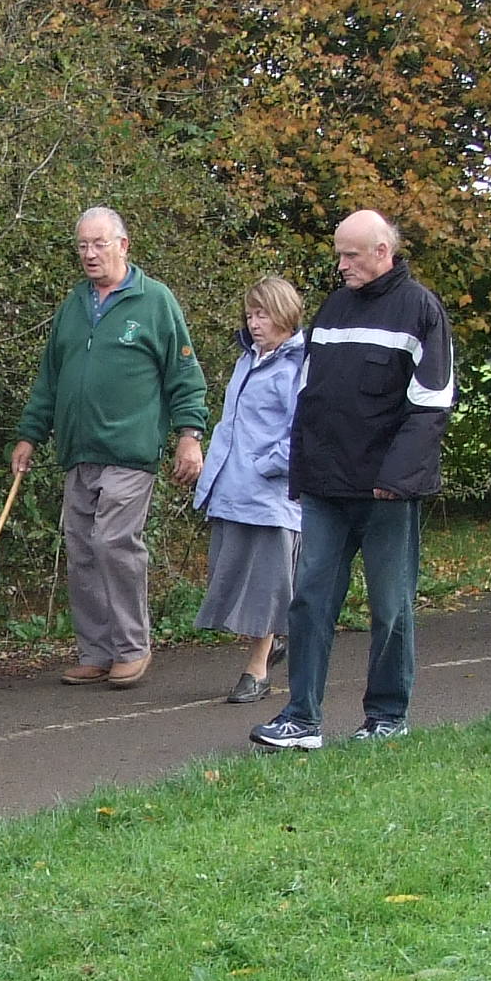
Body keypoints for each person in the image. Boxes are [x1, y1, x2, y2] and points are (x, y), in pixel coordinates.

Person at [249, 211, 453, 749]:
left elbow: (431, 406)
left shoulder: (421, 310)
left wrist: (396, 478)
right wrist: (302, 471)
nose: (341, 265)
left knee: (390, 606)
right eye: (339, 254)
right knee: (310, 601)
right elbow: (311, 399)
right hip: (325, 486)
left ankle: (387, 715)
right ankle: (302, 717)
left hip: (386, 491)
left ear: (382, 250)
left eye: (351, 255)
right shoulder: (334, 308)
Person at [9, 207, 209, 689]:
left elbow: (185, 376)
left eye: (99, 244)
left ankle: (132, 647)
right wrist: (29, 435)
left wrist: (189, 436)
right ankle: (95, 651)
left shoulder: (154, 301)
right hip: (79, 450)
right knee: (81, 548)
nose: (90, 254)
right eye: (82, 246)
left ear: (124, 244)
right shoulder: (73, 306)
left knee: (112, 542)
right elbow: (49, 381)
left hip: (130, 449)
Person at [192, 278, 308, 702]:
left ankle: (257, 670)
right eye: (250, 315)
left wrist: (267, 466)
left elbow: (303, 430)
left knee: (266, 585)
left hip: (271, 498)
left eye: (263, 314)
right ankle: (271, 642)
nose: (255, 323)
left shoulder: (299, 364)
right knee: (232, 576)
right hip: (232, 490)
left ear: (284, 315)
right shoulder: (248, 360)